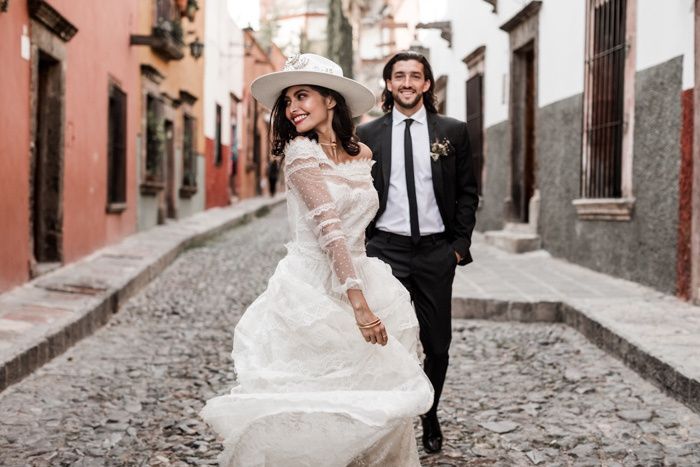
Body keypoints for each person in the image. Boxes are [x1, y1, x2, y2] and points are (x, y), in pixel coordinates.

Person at [200, 53, 433, 466]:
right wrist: (358, 304)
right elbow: (330, 231)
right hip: (312, 287)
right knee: (313, 394)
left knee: (369, 392)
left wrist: (366, 294)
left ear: (330, 100)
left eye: (302, 96)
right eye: (288, 100)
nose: (292, 108)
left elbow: (360, 226)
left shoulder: (361, 153)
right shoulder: (300, 152)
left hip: (363, 274)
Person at [357, 50, 479, 454]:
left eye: (415, 76)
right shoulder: (369, 134)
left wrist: (458, 247)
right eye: (399, 76)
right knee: (384, 342)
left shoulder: (453, 131)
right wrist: (365, 245)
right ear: (389, 85)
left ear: (427, 84)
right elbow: (358, 192)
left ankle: (429, 411)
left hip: (435, 253)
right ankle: (388, 422)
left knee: (438, 345)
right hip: (385, 250)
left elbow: (467, 192)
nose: (407, 83)